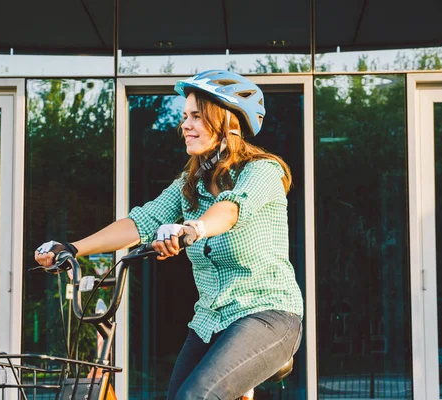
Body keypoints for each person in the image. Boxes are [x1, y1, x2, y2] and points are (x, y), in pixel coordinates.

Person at [35, 70, 304, 400]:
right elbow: (141, 222)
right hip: (209, 321)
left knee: (196, 396)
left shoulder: (262, 170)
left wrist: (192, 228)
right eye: (184, 116)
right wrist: (73, 248)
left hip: (267, 315)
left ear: (227, 123)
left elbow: (232, 209)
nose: (185, 125)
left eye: (196, 117)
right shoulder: (189, 185)